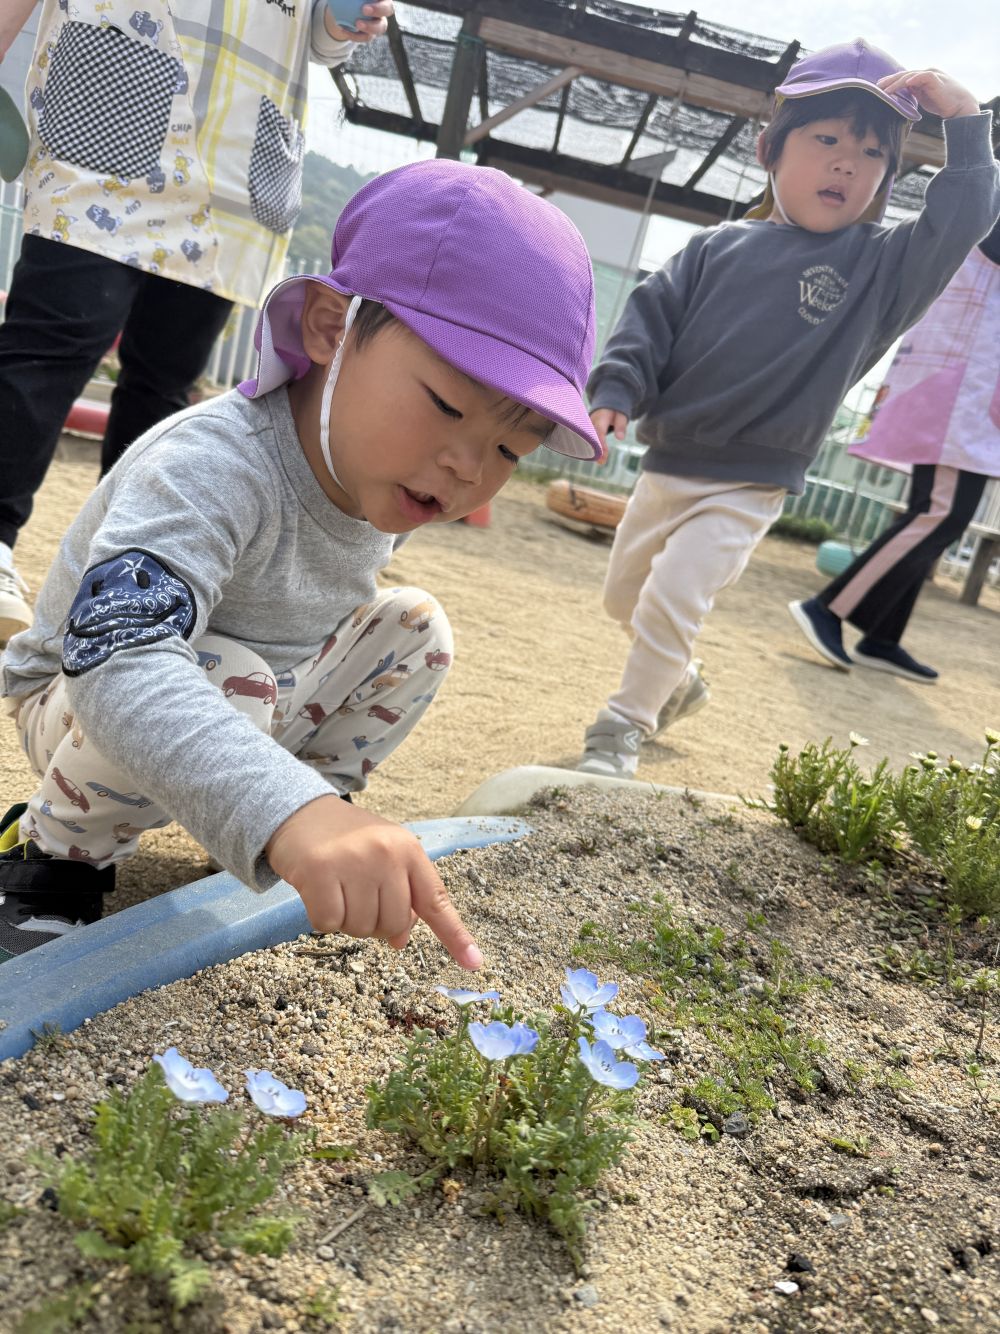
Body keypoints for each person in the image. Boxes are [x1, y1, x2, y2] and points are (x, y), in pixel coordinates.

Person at [0, 159, 606, 965]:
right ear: (329, 329)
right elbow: (115, 657)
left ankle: (309, 809)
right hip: (83, 700)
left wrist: (304, 802)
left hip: (252, 694)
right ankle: (52, 859)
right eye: (447, 406)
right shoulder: (215, 463)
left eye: (509, 448)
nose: (468, 467)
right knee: (226, 673)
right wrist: (284, 808)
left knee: (415, 628)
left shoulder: (381, 468)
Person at [575, 39, 999, 778]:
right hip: (667, 466)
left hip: (751, 481)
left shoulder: (883, 267)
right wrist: (615, 391)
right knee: (624, 602)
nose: (847, 163)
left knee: (674, 596)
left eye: (871, 153)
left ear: (887, 178)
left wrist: (966, 120)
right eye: (827, 140)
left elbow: (962, 218)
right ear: (771, 149)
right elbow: (647, 322)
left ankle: (621, 728)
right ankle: (678, 680)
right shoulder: (712, 249)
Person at [0, 0, 394, 646]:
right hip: (105, 102)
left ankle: (124, 578)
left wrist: (343, 21)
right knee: (52, 344)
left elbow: (323, 38)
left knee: (163, 384)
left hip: (236, 148)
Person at [788, 214, 1000, 682]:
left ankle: (881, 636)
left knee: (936, 514)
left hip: (970, 390)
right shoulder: (992, 209)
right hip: (963, 388)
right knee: (940, 513)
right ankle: (828, 608)